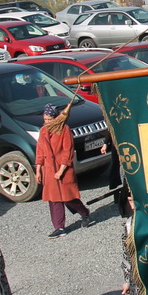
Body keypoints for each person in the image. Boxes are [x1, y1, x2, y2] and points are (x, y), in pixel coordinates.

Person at [35, 102, 93, 238]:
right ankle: (59, 227)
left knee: (68, 198)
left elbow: (68, 151)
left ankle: (84, 212)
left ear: (56, 118)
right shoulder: (43, 130)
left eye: (49, 119)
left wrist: (61, 170)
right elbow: (40, 151)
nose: (47, 122)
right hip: (49, 169)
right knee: (54, 199)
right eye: (45, 119)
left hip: (63, 169)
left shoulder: (64, 129)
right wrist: (38, 170)